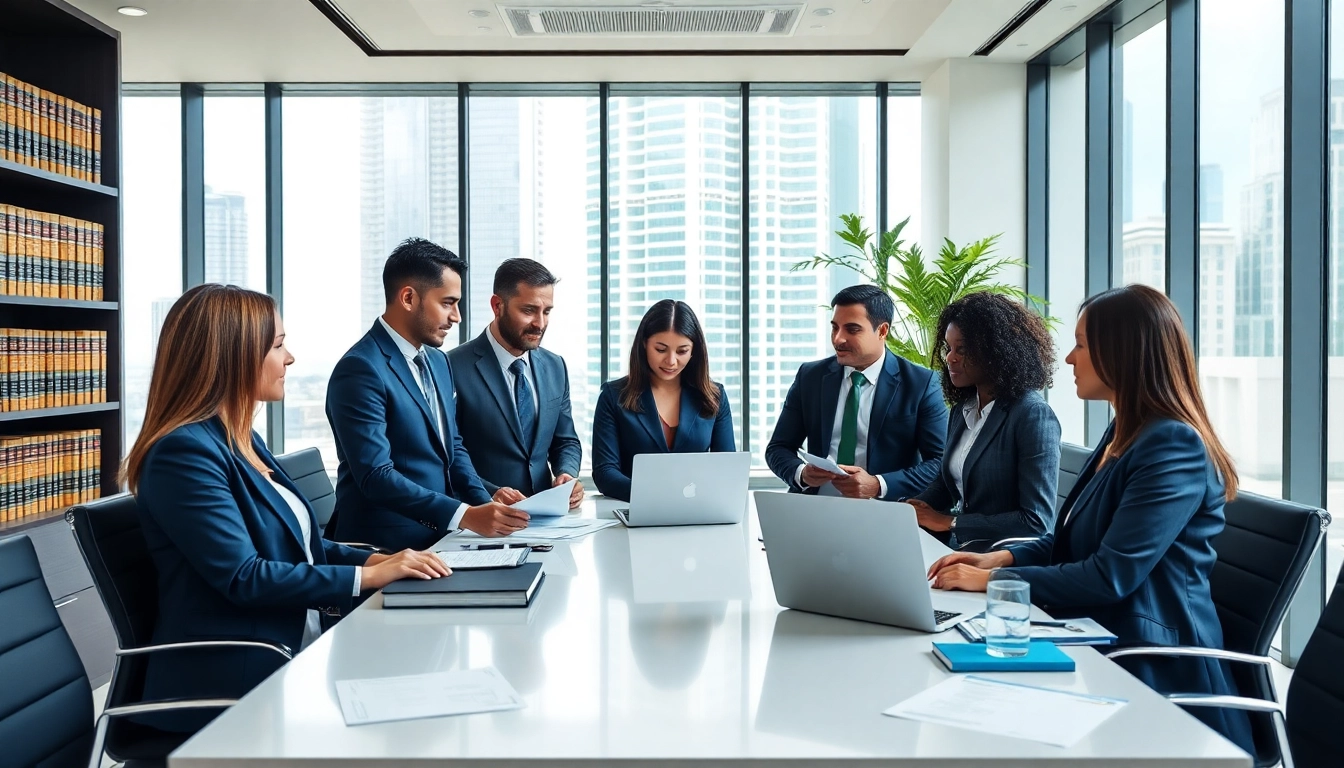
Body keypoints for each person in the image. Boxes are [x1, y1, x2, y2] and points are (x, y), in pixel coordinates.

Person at [927, 284, 1253, 753]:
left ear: (1122, 352)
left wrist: (998, 583)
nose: (1068, 360)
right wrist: (997, 560)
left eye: (1081, 344)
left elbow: (1110, 575)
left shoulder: (1172, 445)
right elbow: (1069, 542)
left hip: (1148, 660)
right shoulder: (1124, 431)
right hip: (1094, 629)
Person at [126, 284, 449, 733]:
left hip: (295, 652)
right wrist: (368, 577)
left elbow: (304, 546)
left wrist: (386, 561)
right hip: (238, 683)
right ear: (232, 357)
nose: (290, 358)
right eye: (278, 345)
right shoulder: (183, 454)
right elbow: (244, 576)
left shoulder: (242, 439)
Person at [326, 238, 529, 552]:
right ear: (408, 297)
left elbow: (453, 446)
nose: (457, 316)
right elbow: (377, 477)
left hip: (441, 539)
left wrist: (485, 505)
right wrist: (464, 516)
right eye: (447, 303)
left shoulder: (437, 360)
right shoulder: (360, 369)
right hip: (383, 547)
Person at [908, 292, 1061, 551]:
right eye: (948, 348)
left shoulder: (1032, 414)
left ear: (995, 351)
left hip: (1002, 557)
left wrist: (950, 522)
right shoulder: (963, 409)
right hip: (959, 550)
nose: (950, 358)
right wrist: (909, 510)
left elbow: (1036, 521)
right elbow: (949, 483)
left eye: (962, 350)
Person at [765, 284, 946, 501]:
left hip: (884, 512)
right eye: (834, 327)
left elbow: (939, 462)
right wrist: (801, 473)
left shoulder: (921, 383)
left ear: (882, 331)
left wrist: (879, 485)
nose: (838, 339)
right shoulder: (810, 377)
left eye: (852, 329)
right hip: (815, 507)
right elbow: (778, 448)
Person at [447, 258, 584, 509]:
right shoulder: (451, 367)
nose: (540, 323)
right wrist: (489, 492)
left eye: (547, 311)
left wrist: (567, 473)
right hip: (482, 518)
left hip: (548, 519)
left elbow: (566, 440)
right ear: (497, 305)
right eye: (529, 310)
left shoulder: (556, 366)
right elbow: (449, 454)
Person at [591, 299, 735, 501]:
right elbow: (605, 473)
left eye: (682, 351)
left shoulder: (714, 396)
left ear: (694, 350)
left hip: (698, 512)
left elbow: (727, 470)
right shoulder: (613, 396)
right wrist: (656, 496)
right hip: (636, 510)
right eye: (660, 349)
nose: (671, 361)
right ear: (644, 344)